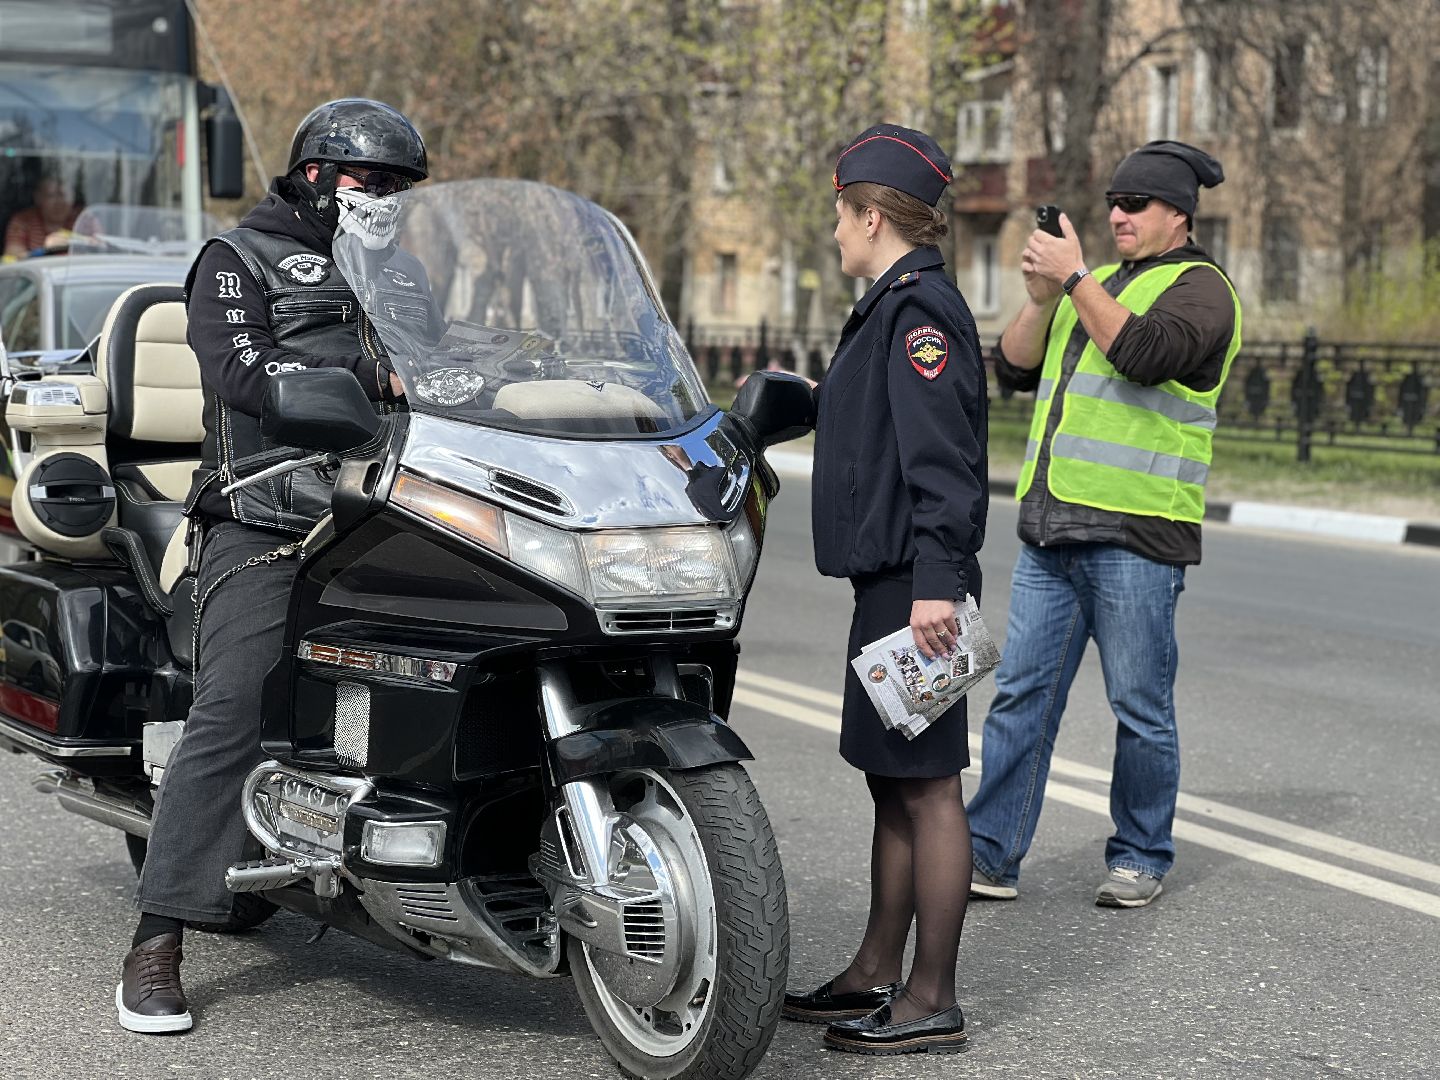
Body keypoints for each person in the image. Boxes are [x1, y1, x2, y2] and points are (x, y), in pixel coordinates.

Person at [116, 98, 428, 1034]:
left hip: (390, 508)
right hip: (269, 513)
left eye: (401, 185)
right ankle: (157, 938)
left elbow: (453, 358)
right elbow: (241, 372)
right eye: (372, 179)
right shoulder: (237, 258)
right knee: (239, 699)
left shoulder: (403, 275)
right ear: (317, 175)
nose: (386, 197)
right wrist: (373, 381)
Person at [966, 140, 1242, 909]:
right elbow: (1013, 368)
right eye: (1113, 203)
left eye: (1135, 204)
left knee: (1140, 709)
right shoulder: (1095, 288)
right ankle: (990, 854)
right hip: (1050, 532)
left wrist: (1075, 279)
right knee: (1020, 698)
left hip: (1137, 537)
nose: (1118, 215)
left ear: (1177, 213)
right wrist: (1039, 297)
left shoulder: (1201, 288)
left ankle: (1141, 855)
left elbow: (1145, 355)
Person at [782, 125, 988, 1056]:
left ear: (873, 216)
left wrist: (937, 584)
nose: (834, 230)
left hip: (917, 586)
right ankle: (875, 969)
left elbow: (943, 464)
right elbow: (878, 430)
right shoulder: (890, 309)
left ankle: (931, 995)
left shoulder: (919, 314)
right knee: (892, 781)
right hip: (893, 581)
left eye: (840, 213)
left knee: (931, 787)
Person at [3, 177, 81, 259]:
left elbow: (91, 247)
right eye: (51, 196)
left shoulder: (81, 218)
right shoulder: (23, 221)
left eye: (64, 195)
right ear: (38, 198)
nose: (59, 202)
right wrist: (45, 251)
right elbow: (12, 258)